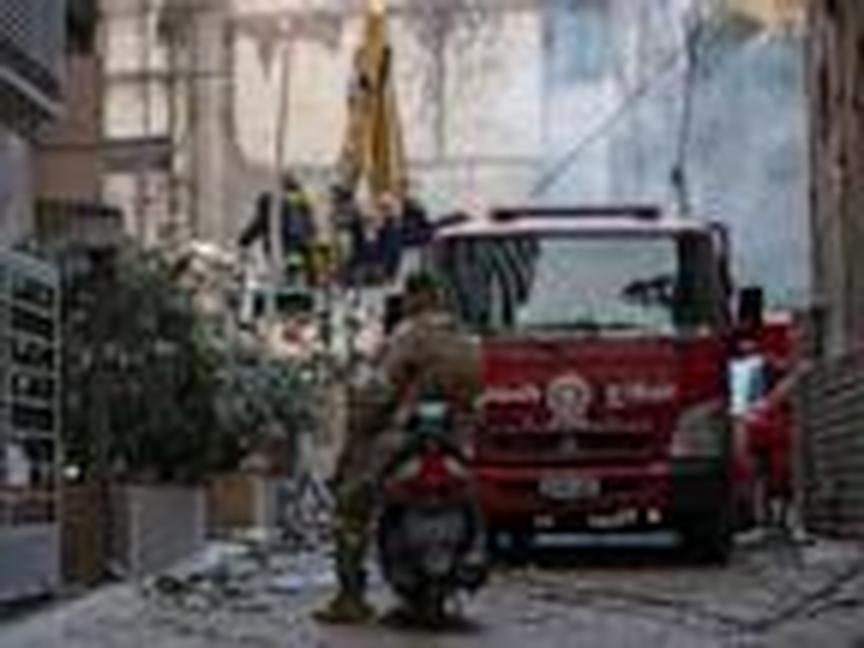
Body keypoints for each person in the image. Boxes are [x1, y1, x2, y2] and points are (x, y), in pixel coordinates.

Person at [313, 271, 481, 624]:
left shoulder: (409, 336)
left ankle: (350, 597)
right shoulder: (465, 337)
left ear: (416, 297)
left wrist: (355, 437)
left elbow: (379, 393)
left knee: (350, 506)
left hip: (406, 438)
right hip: (457, 442)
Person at [238, 172, 316, 280]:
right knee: (294, 271)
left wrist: (244, 241)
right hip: (297, 248)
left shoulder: (271, 201)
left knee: (285, 273)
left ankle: (291, 277)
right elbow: (310, 226)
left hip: (279, 249)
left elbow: (258, 224)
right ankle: (296, 278)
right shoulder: (301, 201)